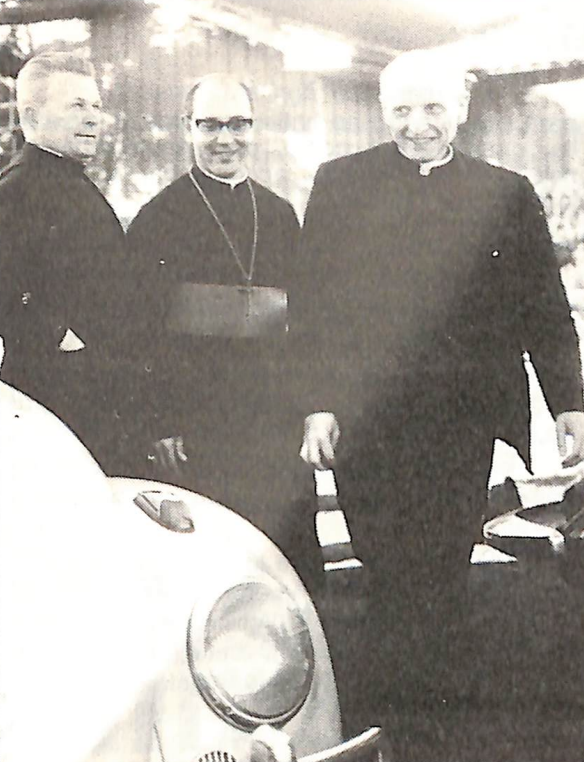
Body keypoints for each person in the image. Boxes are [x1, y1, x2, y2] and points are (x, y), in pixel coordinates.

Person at [296, 50, 584, 749]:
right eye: (401, 110)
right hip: (370, 417)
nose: (416, 125)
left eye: (432, 109)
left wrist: (570, 403)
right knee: (385, 565)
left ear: (461, 111)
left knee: (446, 563)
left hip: (460, 420)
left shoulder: (506, 192)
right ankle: (392, 712)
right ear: (383, 111)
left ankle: (442, 717)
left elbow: (543, 306)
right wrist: (318, 403)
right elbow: (311, 304)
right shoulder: (340, 183)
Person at [127, 74, 302, 545]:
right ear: (188, 127)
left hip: (273, 424)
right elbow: (138, 334)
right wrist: (160, 422)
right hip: (199, 427)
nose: (225, 139)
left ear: (254, 128)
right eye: (210, 125)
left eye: (238, 124)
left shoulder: (280, 214)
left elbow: (303, 323)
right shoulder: (158, 218)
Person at [0, 51, 138, 470]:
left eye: (95, 105)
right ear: (32, 116)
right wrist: (62, 337)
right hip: (49, 405)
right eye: (77, 105)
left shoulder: (75, 184)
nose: (93, 118)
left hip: (96, 401)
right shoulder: (15, 191)